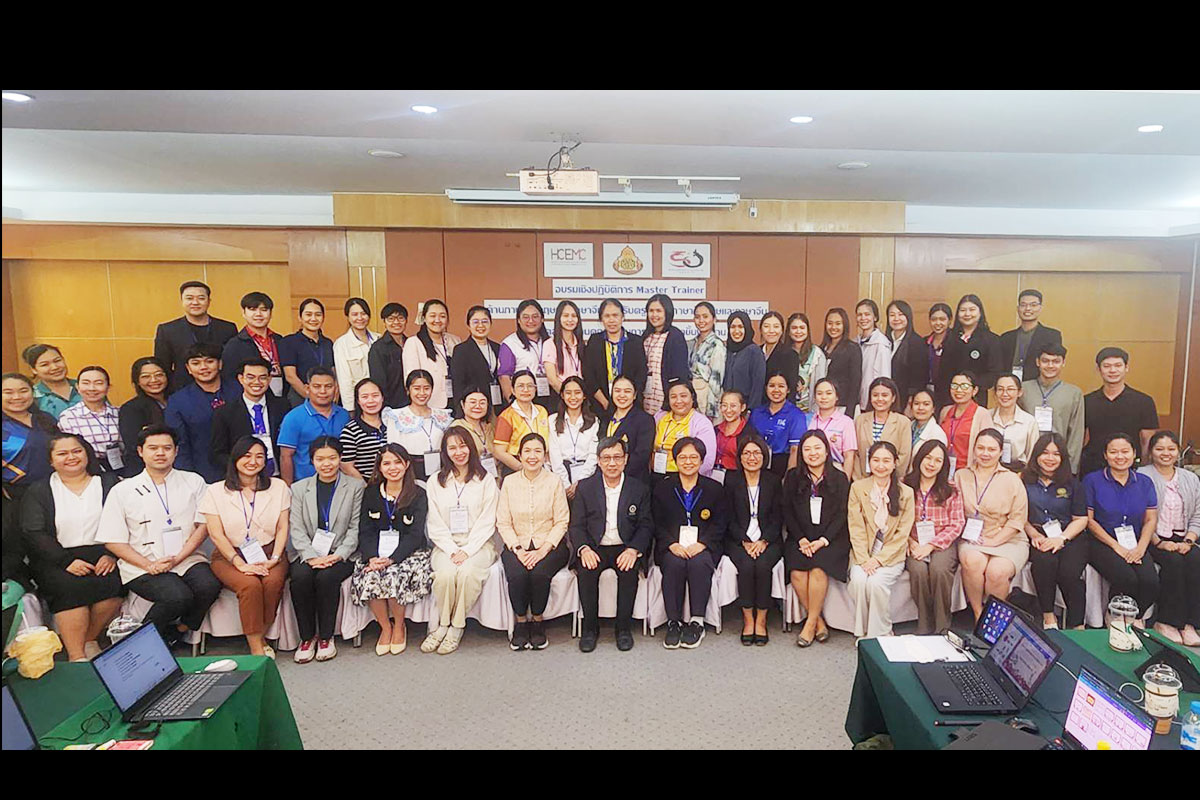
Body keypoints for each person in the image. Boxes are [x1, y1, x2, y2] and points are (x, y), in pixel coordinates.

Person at [96, 425, 221, 646]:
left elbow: (203, 526)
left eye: (167, 448)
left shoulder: (193, 481)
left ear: (176, 451)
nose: (160, 453)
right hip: (141, 563)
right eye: (153, 448)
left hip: (187, 557)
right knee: (177, 596)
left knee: (208, 585)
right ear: (140, 451)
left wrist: (179, 558)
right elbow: (113, 540)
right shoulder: (122, 490)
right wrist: (149, 565)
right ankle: (141, 645)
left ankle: (179, 631)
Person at [19, 433, 124, 661]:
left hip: (104, 552)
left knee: (114, 584)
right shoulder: (39, 490)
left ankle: (89, 640)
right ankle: (77, 656)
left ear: (87, 453)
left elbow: (125, 521)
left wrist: (111, 554)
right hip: (56, 557)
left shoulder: (109, 483)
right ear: (51, 460)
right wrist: (65, 561)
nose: (71, 457)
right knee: (69, 588)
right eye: (62, 453)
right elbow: (34, 532)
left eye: (77, 451)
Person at [199, 435, 291, 658]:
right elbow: (216, 534)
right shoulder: (215, 491)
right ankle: (256, 647)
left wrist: (275, 558)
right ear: (235, 458)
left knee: (272, 582)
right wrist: (239, 563)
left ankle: (260, 635)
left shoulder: (278, 487)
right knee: (250, 585)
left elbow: (282, 527)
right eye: (247, 456)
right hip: (229, 555)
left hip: (270, 551)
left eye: (259, 456)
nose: (253, 461)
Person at [569, 437, 652, 652]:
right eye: (606, 458)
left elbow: (646, 525)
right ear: (598, 461)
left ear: (626, 459)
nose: (612, 463)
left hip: (625, 546)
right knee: (587, 571)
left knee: (628, 571)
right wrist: (584, 549)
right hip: (595, 546)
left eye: (617, 457)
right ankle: (590, 629)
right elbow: (576, 526)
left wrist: (633, 550)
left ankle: (623, 629)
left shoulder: (639, 488)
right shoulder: (586, 488)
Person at [422, 428, 499, 655]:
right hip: (446, 545)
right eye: (452, 448)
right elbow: (434, 521)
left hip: (479, 544)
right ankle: (442, 625)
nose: (459, 452)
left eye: (463, 446)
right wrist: (451, 549)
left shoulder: (486, 480)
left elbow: (488, 520)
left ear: (471, 448)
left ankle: (456, 627)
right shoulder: (435, 481)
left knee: (467, 573)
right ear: (445, 452)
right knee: (445, 575)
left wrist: (468, 550)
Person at [352, 444, 433, 656]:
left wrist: (392, 559)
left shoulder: (418, 494)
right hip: (375, 552)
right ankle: (385, 628)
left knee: (393, 574)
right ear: (379, 467)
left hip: (409, 552)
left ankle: (399, 626)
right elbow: (365, 530)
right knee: (370, 575)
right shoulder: (370, 493)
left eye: (398, 462)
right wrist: (372, 557)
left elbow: (415, 534)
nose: (393, 467)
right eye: (386, 463)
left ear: (407, 464)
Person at [287, 437, 363, 663]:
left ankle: (326, 638)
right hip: (308, 552)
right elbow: (296, 528)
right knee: (300, 578)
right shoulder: (299, 489)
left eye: (332, 458)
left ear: (340, 458)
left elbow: (355, 528)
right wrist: (311, 557)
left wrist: (338, 555)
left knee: (327, 578)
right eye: (320, 459)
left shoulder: (355, 487)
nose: (326, 464)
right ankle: (306, 637)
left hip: (342, 552)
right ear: (312, 460)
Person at [652, 437, 728, 650]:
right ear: (675, 460)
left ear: (702, 460)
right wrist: (671, 544)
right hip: (672, 546)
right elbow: (656, 523)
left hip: (703, 546)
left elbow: (721, 523)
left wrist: (702, 544)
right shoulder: (662, 488)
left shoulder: (714, 489)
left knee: (699, 563)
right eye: (683, 457)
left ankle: (697, 621)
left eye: (693, 457)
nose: (688, 462)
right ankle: (673, 622)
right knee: (674, 563)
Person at [497, 433, 570, 650]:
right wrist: (518, 550)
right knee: (517, 575)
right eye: (527, 451)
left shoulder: (554, 481)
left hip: (550, 545)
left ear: (545, 456)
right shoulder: (509, 482)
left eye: (537, 451)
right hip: (517, 544)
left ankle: (538, 621)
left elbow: (562, 521)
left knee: (539, 574)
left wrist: (542, 550)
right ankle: (521, 622)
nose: (532, 456)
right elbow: (503, 522)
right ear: (519, 455)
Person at [1084, 432, 1160, 628]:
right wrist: (1115, 546)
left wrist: (1141, 547)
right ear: (1105, 455)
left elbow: (1150, 519)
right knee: (1126, 577)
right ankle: (1115, 616)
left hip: (1135, 542)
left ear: (1134, 453)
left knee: (1150, 581)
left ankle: (1135, 617)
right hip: (1101, 541)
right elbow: (1089, 521)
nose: (1120, 456)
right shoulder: (1092, 480)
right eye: (1113, 452)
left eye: (1125, 451)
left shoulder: (1144, 482)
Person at [782, 430, 850, 647]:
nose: (813, 453)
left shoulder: (839, 478)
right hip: (800, 536)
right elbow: (787, 511)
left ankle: (810, 624)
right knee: (797, 572)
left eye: (817, 448)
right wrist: (801, 539)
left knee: (819, 569)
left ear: (827, 451)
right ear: (801, 453)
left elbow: (842, 514)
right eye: (807, 449)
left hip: (831, 538)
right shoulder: (793, 477)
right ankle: (819, 622)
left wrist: (823, 540)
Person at [956, 429, 1030, 619]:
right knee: (972, 562)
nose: (985, 453)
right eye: (981, 448)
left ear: (1000, 452)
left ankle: (994, 618)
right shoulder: (961, 476)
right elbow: (954, 511)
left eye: (991, 449)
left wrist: (995, 541)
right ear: (974, 449)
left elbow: (1017, 520)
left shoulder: (1012, 479)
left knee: (997, 572)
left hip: (1008, 538)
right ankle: (978, 615)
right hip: (973, 536)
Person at [846, 441, 914, 638]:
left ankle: (880, 634)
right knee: (859, 581)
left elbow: (902, 534)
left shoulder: (906, 493)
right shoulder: (858, 488)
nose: (881, 465)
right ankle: (863, 630)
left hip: (890, 554)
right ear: (869, 462)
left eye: (886, 460)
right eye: (876, 460)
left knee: (876, 584)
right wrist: (864, 559)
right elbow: (856, 527)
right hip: (863, 552)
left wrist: (878, 560)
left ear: (895, 463)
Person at [1023, 432, 1090, 630]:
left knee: (1069, 573)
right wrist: (1034, 534)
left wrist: (1061, 538)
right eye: (1045, 453)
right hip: (1038, 536)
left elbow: (1081, 519)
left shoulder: (1073, 484)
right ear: (1036, 455)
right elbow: (1019, 516)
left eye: (1056, 454)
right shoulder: (1023, 481)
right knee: (1044, 563)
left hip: (1070, 536)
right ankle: (1049, 617)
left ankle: (1077, 626)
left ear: (1063, 458)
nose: (1050, 458)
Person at [1138, 431, 1200, 646]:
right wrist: (1160, 542)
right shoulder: (1142, 475)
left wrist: (1189, 541)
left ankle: (1190, 624)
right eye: (1160, 449)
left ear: (1178, 451)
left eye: (1171, 449)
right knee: (1173, 562)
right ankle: (1166, 621)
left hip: (1184, 537)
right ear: (1151, 452)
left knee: (1195, 560)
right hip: (1153, 537)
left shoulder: (1190, 478)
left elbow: (1198, 513)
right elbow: (1140, 514)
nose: (1166, 453)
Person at [725, 431, 783, 645]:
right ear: (740, 457)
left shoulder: (773, 481)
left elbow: (778, 517)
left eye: (757, 453)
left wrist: (764, 541)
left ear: (764, 456)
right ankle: (748, 619)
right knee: (747, 566)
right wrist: (745, 541)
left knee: (763, 566)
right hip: (738, 539)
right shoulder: (731, 480)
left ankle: (762, 619)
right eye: (747, 453)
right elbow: (727, 517)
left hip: (768, 539)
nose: (752, 457)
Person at [903, 440, 966, 634]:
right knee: (918, 571)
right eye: (928, 458)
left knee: (939, 570)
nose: (931, 464)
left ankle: (942, 627)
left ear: (944, 465)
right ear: (919, 458)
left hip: (942, 542)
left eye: (938, 460)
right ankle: (924, 624)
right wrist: (910, 542)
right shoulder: (905, 485)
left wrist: (931, 545)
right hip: (913, 541)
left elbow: (957, 523)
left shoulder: (951, 489)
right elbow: (896, 520)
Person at [1081, 347, 1159, 476]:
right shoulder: (1086, 401)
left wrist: (1143, 468)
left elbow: (1147, 440)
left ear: (1126, 367)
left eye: (1118, 365)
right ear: (1098, 369)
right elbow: (1081, 438)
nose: (1112, 370)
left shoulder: (1143, 401)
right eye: (1107, 366)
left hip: (1130, 467)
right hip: (1093, 467)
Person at [164, 343, 233, 483]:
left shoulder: (240, 390)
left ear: (220, 364)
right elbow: (180, 444)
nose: (203, 367)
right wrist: (187, 479)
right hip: (202, 475)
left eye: (209, 361)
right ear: (188, 368)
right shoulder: (178, 401)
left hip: (244, 469)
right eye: (196, 363)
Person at [209, 357, 289, 478]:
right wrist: (241, 469)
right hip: (243, 477)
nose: (256, 382)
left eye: (262, 377)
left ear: (269, 379)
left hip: (279, 475)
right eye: (250, 377)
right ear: (241, 379)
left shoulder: (283, 406)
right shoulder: (224, 412)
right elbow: (218, 453)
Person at [154, 280, 238, 393]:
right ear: (182, 301)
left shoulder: (227, 328)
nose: (195, 302)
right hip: (182, 391)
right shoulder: (167, 330)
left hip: (222, 390)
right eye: (189, 298)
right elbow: (163, 366)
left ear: (209, 301)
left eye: (201, 298)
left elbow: (233, 363)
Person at [1018, 343, 1085, 472]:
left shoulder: (1073, 393)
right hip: (1027, 459)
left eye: (1056, 361)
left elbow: (1076, 434)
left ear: (1063, 363)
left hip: (1058, 460)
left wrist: (1070, 468)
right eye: (1045, 361)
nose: (1050, 365)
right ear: (1037, 362)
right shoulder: (1023, 389)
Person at [277, 367, 350, 484]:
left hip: (340, 483)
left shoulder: (344, 415)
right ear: (307, 388)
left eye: (328, 386)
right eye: (317, 386)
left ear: (336, 388)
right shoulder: (293, 418)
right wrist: (288, 487)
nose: (323, 391)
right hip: (305, 484)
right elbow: (286, 456)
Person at [382, 370, 453, 483]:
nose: (422, 393)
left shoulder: (442, 415)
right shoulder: (397, 416)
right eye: (416, 388)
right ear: (408, 390)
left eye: (426, 388)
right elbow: (392, 450)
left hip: (440, 467)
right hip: (410, 469)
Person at [583, 298, 648, 413]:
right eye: (607, 316)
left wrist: (627, 401)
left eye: (615, 315)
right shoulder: (595, 341)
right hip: (601, 405)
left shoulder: (636, 342)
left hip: (631, 406)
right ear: (601, 319)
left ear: (622, 317)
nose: (611, 320)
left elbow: (641, 375)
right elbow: (589, 375)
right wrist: (605, 403)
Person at [2, 373, 59, 501]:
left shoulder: (46, 419)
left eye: (23, 391)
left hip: (55, 488)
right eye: (8, 392)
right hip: (15, 496)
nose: (17, 397)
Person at [57, 366, 123, 473]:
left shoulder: (119, 413)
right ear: (77, 387)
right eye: (86, 383)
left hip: (121, 465)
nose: (92, 388)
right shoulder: (69, 417)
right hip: (88, 469)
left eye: (99, 383)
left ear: (108, 387)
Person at [221, 291, 286, 398]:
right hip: (252, 399)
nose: (258, 314)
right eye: (252, 309)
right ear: (243, 313)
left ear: (271, 313)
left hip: (282, 398)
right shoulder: (235, 344)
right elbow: (229, 379)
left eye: (264, 310)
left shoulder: (279, 340)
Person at [653, 379, 717, 478]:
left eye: (683, 396)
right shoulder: (659, 417)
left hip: (686, 477)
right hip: (656, 473)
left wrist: (689, 479)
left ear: (692, 397)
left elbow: (707, 460)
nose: (678, 401)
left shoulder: (702, 423)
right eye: (673, 397)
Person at [403, 298, 459, 410]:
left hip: (455, 402)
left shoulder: (455, 340)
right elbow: (411, 379)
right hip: (429, 403)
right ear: (424, 318)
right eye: (432, 316)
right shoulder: (414, 342)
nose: (437, 320)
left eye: (442, 316)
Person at [547, 376, 598, 498]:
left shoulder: (593, 421)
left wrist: (580, 483)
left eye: (577, 392)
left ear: (584, 395)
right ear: (562, 395)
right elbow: (554, 455)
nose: (573, 397)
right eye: (568, 393)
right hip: (560, 476)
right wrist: (565, 484)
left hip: (586, 476)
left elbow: (593, 455)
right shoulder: (552, 420)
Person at [946, 294, 1003, 407]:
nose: (967, 314)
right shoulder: (949, 337)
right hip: (950, 396)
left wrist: (970, 385)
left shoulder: (991, 339)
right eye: (963, 310)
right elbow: (943, 371)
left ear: (980, 312)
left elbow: (995, 372)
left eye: (972, 310)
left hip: (977, 396)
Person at [117, 357, 169, 478]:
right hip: (145, 472)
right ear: (137, 381)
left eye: (159, 375)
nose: (154, 380)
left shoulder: (178, 401)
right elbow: (133, 445)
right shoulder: (130, 409)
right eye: (146, 376)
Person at [750, 371, 808, 478]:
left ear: (788, 389)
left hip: (782, 465)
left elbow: (795, 450)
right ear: (766, 388)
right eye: (772, 386)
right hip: (757, 463)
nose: (776, 390)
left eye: (781, 386)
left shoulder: (796, 415)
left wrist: (788, 479)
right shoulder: (757, 413)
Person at [852, 377, 911, 479]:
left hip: (891, 479)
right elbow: (856, 454)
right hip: (863, 478)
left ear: (893, 398)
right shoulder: (860, 420)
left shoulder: (903, 422)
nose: (879, 399)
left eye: (884, 395)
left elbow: (904, 455)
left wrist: (891, 479)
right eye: (875, 395)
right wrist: (859, 479)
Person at [493, 370, 551, 474]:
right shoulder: (507, 416)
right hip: (517, 469)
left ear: (535, 389)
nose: (525, 390)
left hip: (542, 466)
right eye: (520, 386)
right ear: (513, 390)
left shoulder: (542, 411)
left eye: (530, 386)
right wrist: (523, 468)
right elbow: (499, 451)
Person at [600, 375, 655, 484]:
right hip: (605, 479)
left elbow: (642, 455)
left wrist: (616, 472)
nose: (622, 395)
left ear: (634, 395)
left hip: (633, 481)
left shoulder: (645, 420)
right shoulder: (605, 418)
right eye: (617, 391)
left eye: (627, 391)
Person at [999, 289, 1062, 383]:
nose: (1028, 308)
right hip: (1010, 386)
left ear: (1040, 308)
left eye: (1033, 305)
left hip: (1038, 386)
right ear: (1018, 308)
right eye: (1023, 305)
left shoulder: (1052, 336)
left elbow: (1053, 365)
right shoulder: (1006, 337)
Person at [279, 298, 335, 406]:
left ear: (323, 318)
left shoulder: (328, 343)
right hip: (300, 399)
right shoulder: (289, 342)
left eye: (318, 315)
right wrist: (311, 398)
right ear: (300, 317)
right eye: (308, 314)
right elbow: (290, 376)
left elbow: (333, 372)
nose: (313, 319)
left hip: (326, 398)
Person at [641, 294, 690, 415]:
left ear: (667, 312)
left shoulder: (675, 336)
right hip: (646, 396)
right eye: (651, 311)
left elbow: (680, 372)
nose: (654, 315)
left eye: (658, 311)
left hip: (666, 398)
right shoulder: (646, 336)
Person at [499, 299, 552, 409]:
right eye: (525, 317)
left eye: (535, 316)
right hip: (523, 398)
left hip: (550, 397)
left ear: (542, 319)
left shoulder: (550, 342)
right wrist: (513, 405)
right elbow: (504, 377)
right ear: (518, 320)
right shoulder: (510, 343)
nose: (531, 321)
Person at [938, 370, 994, 475]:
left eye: (964, 386)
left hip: (969, 472)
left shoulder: (982, 414)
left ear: (975, 390)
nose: (959, 390)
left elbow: (988, 446)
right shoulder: (945, 411)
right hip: (943, 471)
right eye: (954, 386)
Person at [449, 305, 500, 414]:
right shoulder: (461, 350)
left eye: (485, 321)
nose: (480, 325)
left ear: (490, 324)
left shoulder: (497, 348)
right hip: (473, 408)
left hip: (496, 406)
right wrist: (461, 411)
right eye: (475, 322)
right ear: (468, 325)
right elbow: (458, 385)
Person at [338, 379, 389, 482]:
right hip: (366, 485)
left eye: (375, 395)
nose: (371, 401)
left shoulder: (393, 424)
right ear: (358, 401)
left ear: (382, 398)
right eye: (365, 397)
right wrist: (366, 486)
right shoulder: (350, 430)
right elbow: (346, 466)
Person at [333, 297, 376, 412]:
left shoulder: (378, 338)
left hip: (379, 400)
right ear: (348, 317)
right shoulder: (341, 344)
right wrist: (350, 409)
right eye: (355, 314)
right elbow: (344, 380)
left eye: (363, 314)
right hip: (358, 403)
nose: (360, 318)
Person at [809, 378, 858, 478]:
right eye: (819, 393)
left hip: (835, 471)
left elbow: (849, 456)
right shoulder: (808, 419)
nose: (824, 397)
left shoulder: (846, 422)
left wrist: (845, 481)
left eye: (828, 393)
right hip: (810, 470)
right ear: (814, 397)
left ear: (837, 396)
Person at [991, 374, 1040, 470]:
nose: (1005, 394)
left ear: (1019, 392)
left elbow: (1032, 455)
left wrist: (1022, 475)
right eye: (1000, 389)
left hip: (1018, 472)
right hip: (989, 471)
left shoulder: (1029, 421)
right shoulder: (986, 416)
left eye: (1010, 389)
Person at [687, 301, 726, 419]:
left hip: (706, 398)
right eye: (697, 317)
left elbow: (716, 382)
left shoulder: (717, 345)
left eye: (705, 316)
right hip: (691, 396)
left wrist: (711, 410)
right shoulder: (691, 343)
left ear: (714, 319)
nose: (701, 320)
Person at [367, 302, 410, 409]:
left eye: (400, 318)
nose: (396, 322)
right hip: (390, 405)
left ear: (406, 321)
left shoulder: (411, 343)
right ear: (384, 322)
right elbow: (378, 382)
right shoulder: (378, 348)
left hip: (412, 404)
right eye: (391, 319)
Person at [448, 387, 498, 477]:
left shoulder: (490, 427)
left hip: (494, 477)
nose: (478, 406)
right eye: (472, 402)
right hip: (469, 478)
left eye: (482, 403)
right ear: (463, 404)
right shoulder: (456, 428)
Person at [23, 344, 81, 420]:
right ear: (33, 369)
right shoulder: (33, 396)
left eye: (57, 361)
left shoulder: (85, 386)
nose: (55, 367)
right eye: (45, 365)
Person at [854, 299, 893, 413]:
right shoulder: (856, 341)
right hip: (858, 400)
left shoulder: (881, 343)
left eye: (867, 314)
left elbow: (884, 375)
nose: (863, 318)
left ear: (875, 317)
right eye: (859, 315)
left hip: (873, 401)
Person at [822, 308, 862, 415]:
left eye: (838, 323)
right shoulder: (821, 349)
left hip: (844, 407)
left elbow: (855, 382)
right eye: (830, 323)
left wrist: (849, 412)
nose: (833, 327)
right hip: (824, 406)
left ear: (845, 325)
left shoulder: (852, 348)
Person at [723, 310, 767, 409]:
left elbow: (758, 385)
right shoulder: (727, 350)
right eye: (733, 327)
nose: (736, 331)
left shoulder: (754, 351)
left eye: (740, 327)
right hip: (728, 409)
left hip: (746, 408)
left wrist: (751, 410)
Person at [886, 300, 925, 410]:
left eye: (901, 314)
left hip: (904, 401)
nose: (896, 318)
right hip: (885, 399)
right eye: (892, 315)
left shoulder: (917, 343)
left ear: (908, 317)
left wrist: (910, 403)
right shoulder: (884, 341)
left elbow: (919, 378)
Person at [786, 312, 827, 415]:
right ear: (788, 331)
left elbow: (821, 384)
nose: (798, 331)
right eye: (794, 328)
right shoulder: (783, 352)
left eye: (802, 328)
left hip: (810, 411)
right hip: (786, 410)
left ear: (807, 330)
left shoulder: (817, 354)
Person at [542, 300, 584, 398]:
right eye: (565, 316)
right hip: (560, 397)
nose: (570, 319)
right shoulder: (550, 344)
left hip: (580, 398)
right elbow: (552, 380)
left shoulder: (581, 345)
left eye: (574, 316)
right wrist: (568, 396)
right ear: (558, 318)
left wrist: (578, 396)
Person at [760, 311, 800, 410]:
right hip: (758, 409)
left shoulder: (790, 355)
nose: (771, 330)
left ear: (782, 330)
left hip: (780, 410)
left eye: (776, 326)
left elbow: (792, 390)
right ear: (761, 329)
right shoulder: (755, 352)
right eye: (767, 326)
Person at [924, 302, 955, 408]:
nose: (938, 323)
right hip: (926, 394)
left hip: (949, 396)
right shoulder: (924, 342)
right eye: (934, 319)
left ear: (949, 320)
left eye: (942, 319)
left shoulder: (957, 343)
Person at [714, 390, 748, 477]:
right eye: (724, 405)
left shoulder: (749, 433)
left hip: (738, 477)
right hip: (714, 474)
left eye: (733, 406)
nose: (728, 410)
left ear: (742, 407)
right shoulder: (716, 430)